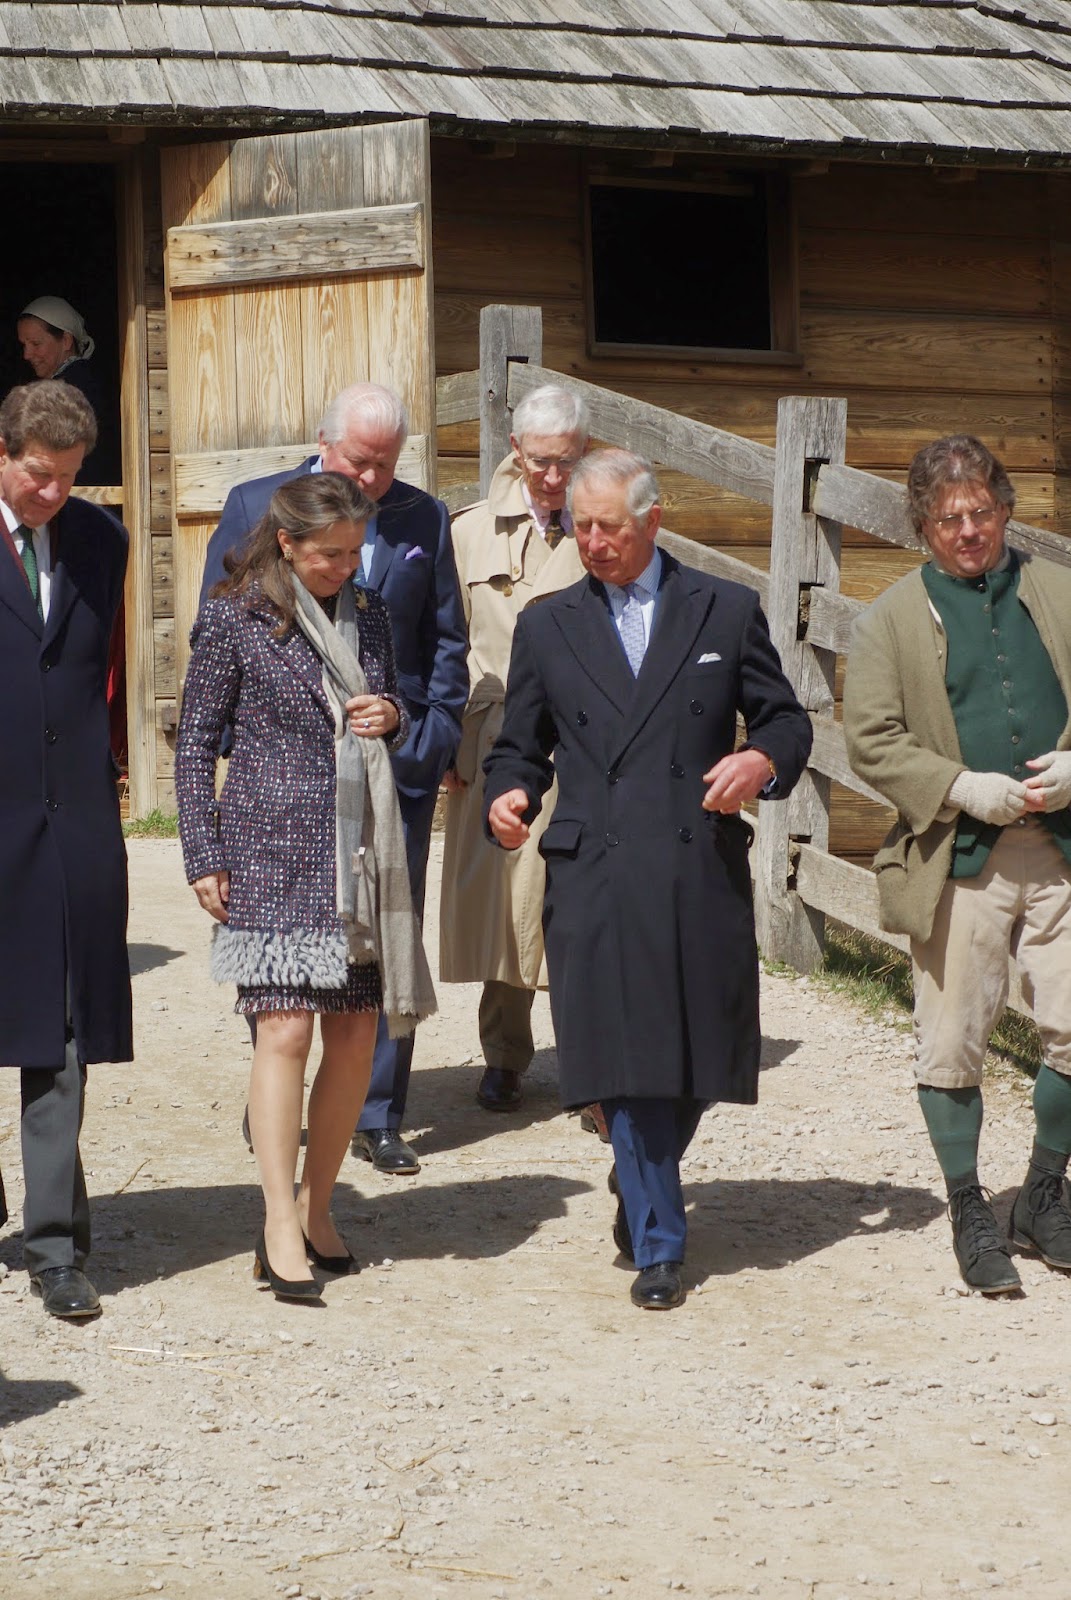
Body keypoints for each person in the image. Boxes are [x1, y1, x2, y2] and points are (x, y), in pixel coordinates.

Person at [483, 449, 812, 1309]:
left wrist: (759, 761)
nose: (591, 543)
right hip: (594, 867)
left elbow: (784, 720)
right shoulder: (547, 625)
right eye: (580, 527)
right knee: (625, 1061)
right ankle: (662, 1244)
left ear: (653, 521)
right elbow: (519, 746)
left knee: (699, 1053)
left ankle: (638, 1176)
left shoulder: (724, 609)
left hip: (693, 862)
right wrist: (508, 793)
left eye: (609, 528)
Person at [176, 473, 435, 1302]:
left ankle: (319, 1207)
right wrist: (201, 853)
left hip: (356, 854)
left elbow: (389, 701)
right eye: (330, 553)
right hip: (264, 852)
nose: (345, 567)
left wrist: (389, 715)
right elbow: (195, 745)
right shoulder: (232, 616)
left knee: (354, 1036)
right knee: (283, 1031)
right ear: (286, 544)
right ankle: (278, 1219)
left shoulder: (373, 614)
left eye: (355, 552)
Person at [200, 383, 467, 1175]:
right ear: (324, 443)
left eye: (387, 463)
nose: (374, 479)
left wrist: (427, 736)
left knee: (373, 961)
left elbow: (443, 644)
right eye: (359, 460)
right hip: (279, 794)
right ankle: (276, 1091)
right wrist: (231, 776)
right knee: (288, 995)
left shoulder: (425, 518)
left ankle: (377, 1112)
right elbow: (222, 637)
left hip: (386, 777)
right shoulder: (253, 502)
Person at [844, 435, 1071, 1296]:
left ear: (1005, 510)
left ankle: (1042, 1193)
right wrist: (957, 786)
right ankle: (969, 1207)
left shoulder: (1058, 591)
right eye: (948, 519)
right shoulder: (889, 620)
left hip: (1060, 846)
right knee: (951, 1040)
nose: (968, 531)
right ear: (922, 527)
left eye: (980, 512)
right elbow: (871, 740)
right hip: (957, 856)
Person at [0, 380, 131, 1320]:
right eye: (39, 475)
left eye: (70, 478)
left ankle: (55, 1246)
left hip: (70, 822)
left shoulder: (100, 540)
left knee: (62, 1034)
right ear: (3, 453)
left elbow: (95, 679)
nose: (54, 494)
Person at [441, 385, 590, 1113]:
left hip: (585, 741)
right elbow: (446, 644)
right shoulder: (468, 532)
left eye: (566, 461)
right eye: (540, 462)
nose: (553, 477)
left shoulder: (606, 524)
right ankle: (504, 1056)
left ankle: (593, 1072)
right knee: (506, 904)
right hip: (498, 738)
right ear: (514, 451)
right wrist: (448, 740)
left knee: (580, 901)